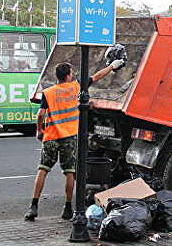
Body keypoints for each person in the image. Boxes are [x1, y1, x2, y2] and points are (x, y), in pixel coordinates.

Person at [24, 59, 125, 221]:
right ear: (69, 76)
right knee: (69, 173)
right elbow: (97, 76)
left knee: (42, 170)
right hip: (69, 138)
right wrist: (113, 66)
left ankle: (33, 206)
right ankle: (67, 207)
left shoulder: (48, 93)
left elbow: (41, 115)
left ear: (57, 77)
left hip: (51, 137)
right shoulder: (76, 86)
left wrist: (39, 130)